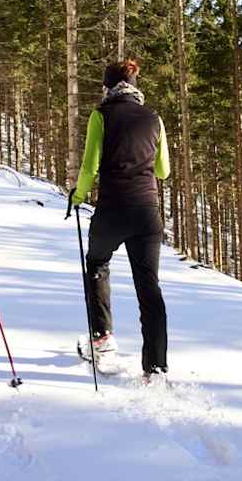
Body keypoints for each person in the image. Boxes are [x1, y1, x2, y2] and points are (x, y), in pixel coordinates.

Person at [72, 59, 171, 380]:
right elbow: (163, 171)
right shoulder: (154, 118)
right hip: (146, 212)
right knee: (149, 287)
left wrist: (77, 196)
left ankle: (102, 339)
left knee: (97, 264)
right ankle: (155, 366)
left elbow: (90, 166)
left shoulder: (101, 115)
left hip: (112, 210)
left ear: (108, 87)